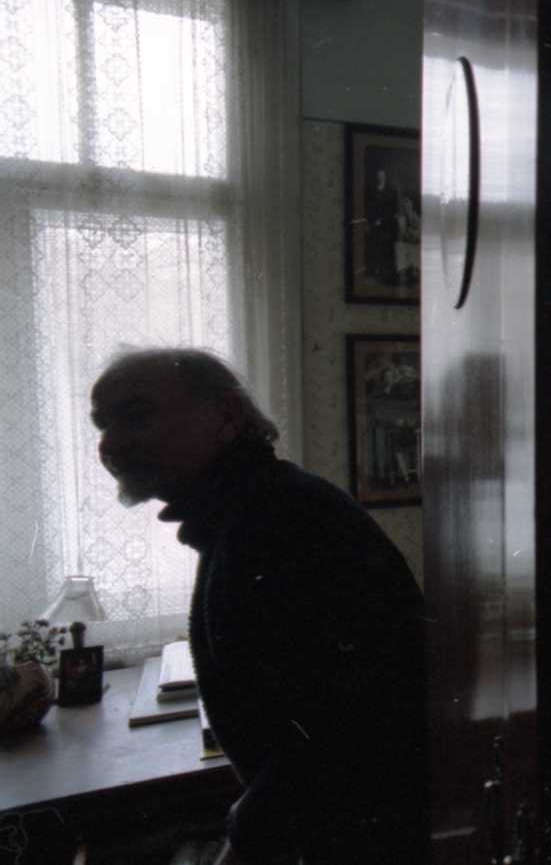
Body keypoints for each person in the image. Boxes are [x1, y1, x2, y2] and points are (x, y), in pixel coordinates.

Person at [90, 348, 427, 865]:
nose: (111, 444)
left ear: (228, 418)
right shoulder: (252, 510)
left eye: (137, 416)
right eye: (103, 425)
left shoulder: (281, 518)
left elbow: (344, 728)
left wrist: (248, 838)